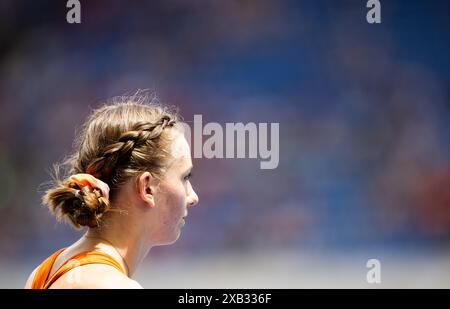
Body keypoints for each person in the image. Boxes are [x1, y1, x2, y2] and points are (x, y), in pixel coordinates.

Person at [24, 95, 199, 288]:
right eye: (185, 177)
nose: (193, 197)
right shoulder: (113, 285)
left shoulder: (44, 272)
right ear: (147, 187)